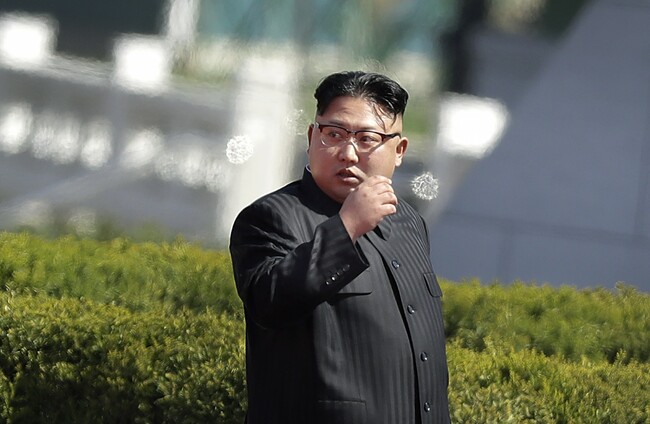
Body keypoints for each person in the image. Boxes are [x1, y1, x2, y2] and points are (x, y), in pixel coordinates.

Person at [229, 70, 450, 424]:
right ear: (311, 137)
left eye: (367, 139)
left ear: (399, 151)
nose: (348, 153)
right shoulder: (271, 217)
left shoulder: (409, 222)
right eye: (333, 134)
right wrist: (347, 227)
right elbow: (269, 302)